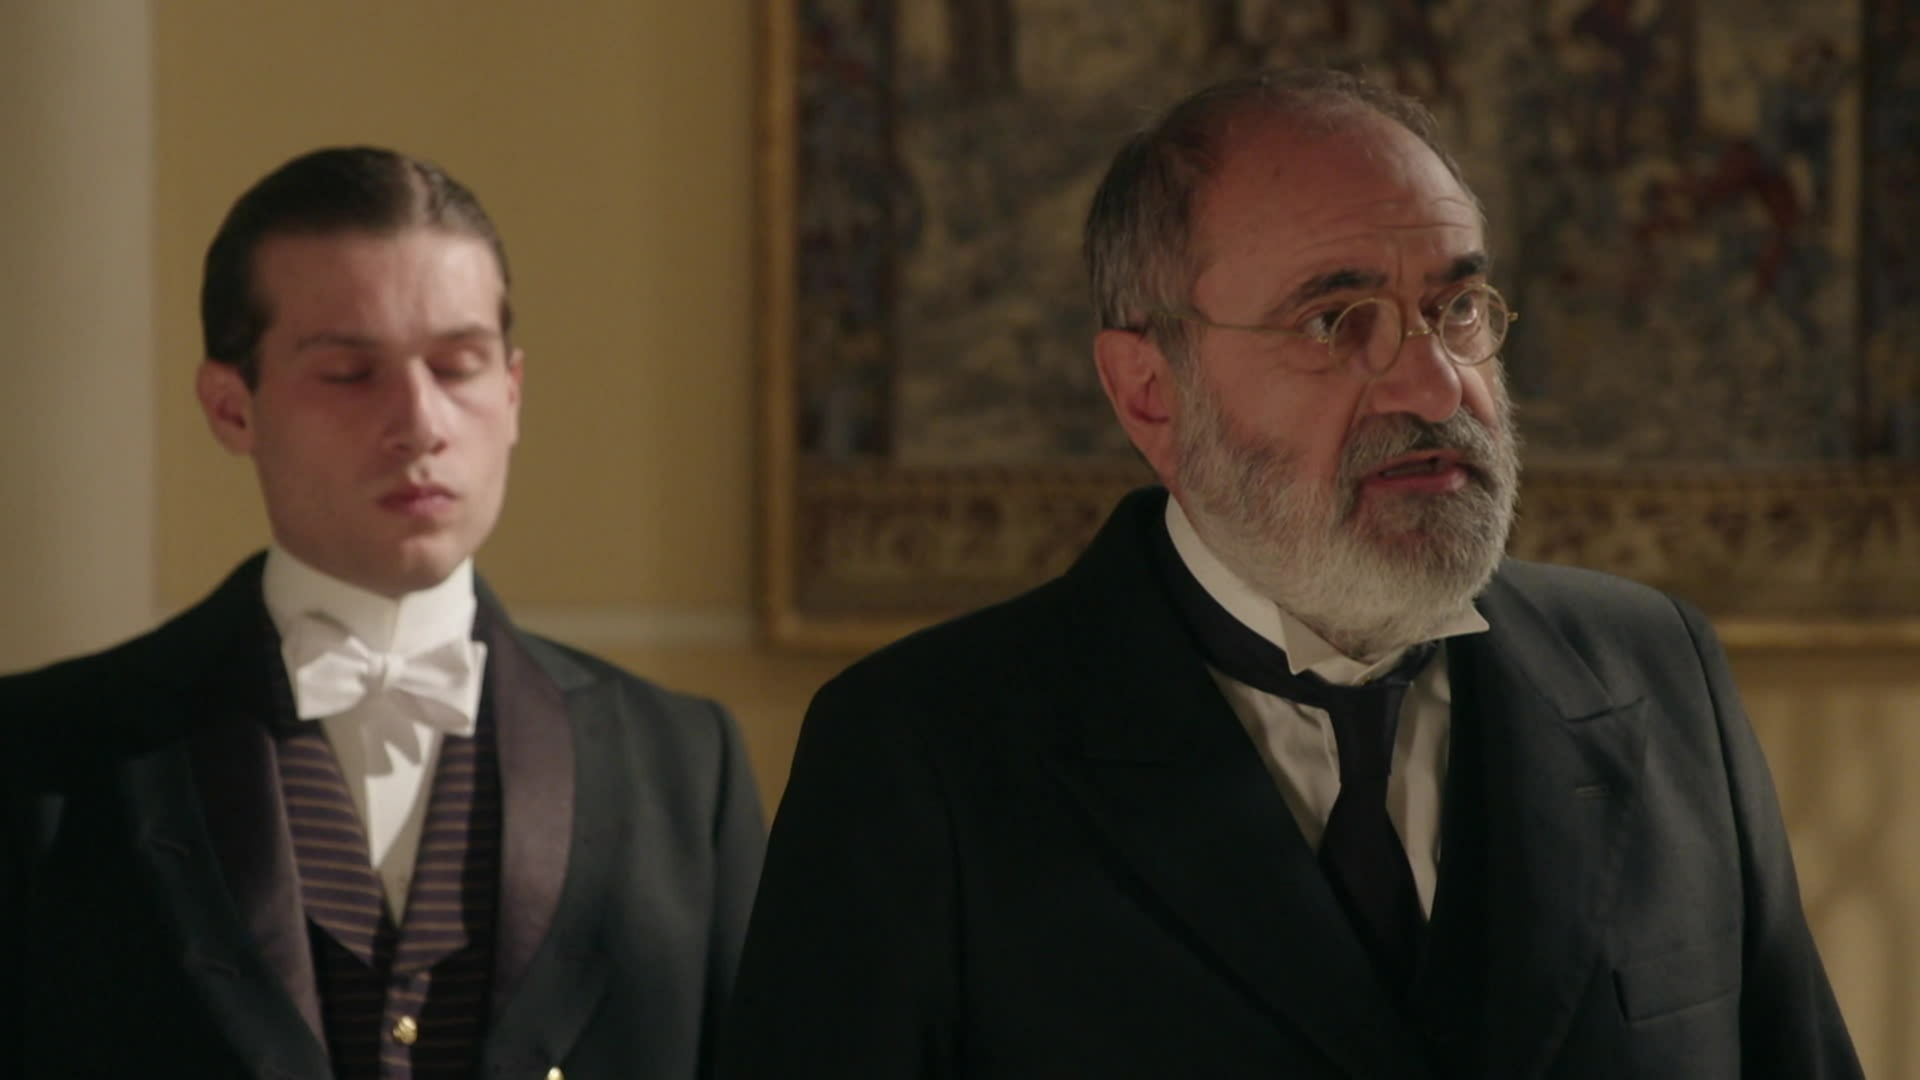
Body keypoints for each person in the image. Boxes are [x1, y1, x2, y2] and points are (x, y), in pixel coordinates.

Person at [719, 69, 1862, 1078]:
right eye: (1335, 322)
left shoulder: (1657, 674)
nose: (1436, 386)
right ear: (1150, 393)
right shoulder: (924, 756)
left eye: (1457, 308)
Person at [0, 146, 765, 1078]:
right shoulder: (39, 754)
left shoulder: (688, 770)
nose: (420, 424)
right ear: (231, 408)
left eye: (458, 366)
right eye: (350, 373)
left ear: (512, 394)